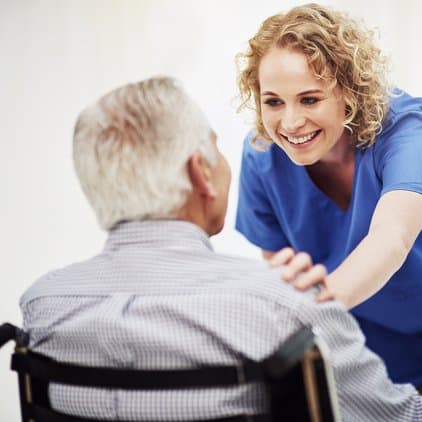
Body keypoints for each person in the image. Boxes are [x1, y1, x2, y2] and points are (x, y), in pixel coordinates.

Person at [20, 76, 422, 421]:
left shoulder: (43, 308)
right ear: (201, 173)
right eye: (215, 146)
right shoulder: (285, 310)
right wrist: (314, 303)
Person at [235, 3, 422, 387]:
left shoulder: (406, 133)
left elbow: (393, 237)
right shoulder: (262, 158)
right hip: (354, 357)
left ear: (350, 93)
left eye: (309, 99)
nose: (290, 123)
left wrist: (307, 315)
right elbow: (285, 267)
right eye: (273, 101)